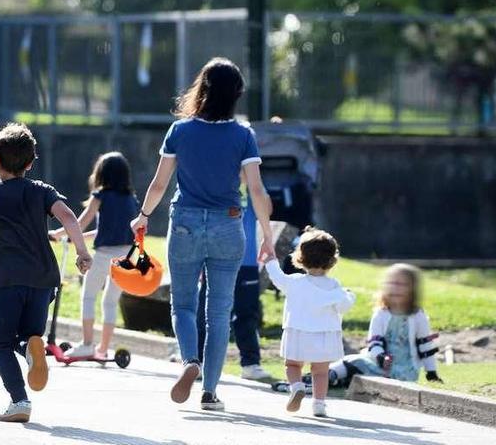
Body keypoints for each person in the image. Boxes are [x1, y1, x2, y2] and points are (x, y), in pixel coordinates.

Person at [131, 58, 275, 411]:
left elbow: (160, 182)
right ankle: (210, 392)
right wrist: (267, 234)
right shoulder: (244, 136)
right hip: (229, 223)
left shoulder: (180, 131)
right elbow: (256, 190)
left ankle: (189, 361)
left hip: (185, 223)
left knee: (183, 303)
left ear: (202, 89)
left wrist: (143, 216)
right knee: (220, 311)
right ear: (236, 95)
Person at [0, 123, 92, 423]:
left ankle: (19, 400)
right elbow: (69, 217)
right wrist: (82, 252)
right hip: (44, 280)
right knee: (28, 334)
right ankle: (32, 347)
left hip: (6, 279)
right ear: (31, 162)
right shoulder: (42, 191)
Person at [50, 152, 139, 359]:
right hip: (126, 256)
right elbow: (111, 230)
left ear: (101, 174)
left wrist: (58, 234)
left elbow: (79, 223)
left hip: (104, 255)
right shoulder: (131, 200)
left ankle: (88, 344)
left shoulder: (101, 196)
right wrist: (78, 238)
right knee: (110, 301)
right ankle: (102, 348)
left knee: (88, 295)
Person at [264, 227, 355, 417]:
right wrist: (350, 296)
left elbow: (277, 278)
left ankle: (297, 386)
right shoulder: (334, 285)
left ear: (300, 257)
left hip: (297, 332)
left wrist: (270, 260)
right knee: (321, 371)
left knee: (293, 365)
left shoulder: (295, 282)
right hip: (324, 335)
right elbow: (343, 305)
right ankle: (319, 404)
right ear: (332, 260)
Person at [325, 263, 442, 388]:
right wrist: (380, 356)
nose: (395, 288)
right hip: (380, 365)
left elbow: (425, 346)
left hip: (407, 373)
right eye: (392, 283)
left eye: (401, 284)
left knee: (355, 362)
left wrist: (431, 372)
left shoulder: (418, 315)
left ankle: (336, 377)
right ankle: (326, 377)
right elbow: (374, 343)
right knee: (352, 360)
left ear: (412, 289)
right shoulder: (381, 314)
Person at [197, 193, 273, 382]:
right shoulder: (215, 188)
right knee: (206, 313)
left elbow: (268, 209)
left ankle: (250, 364)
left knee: (247, 313)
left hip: (246, 263)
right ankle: (196, 362)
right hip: (214, 260)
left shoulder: (251, 190)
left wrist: (255, 184)